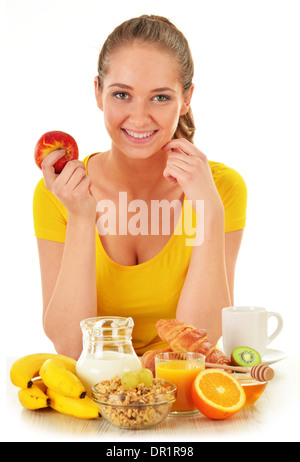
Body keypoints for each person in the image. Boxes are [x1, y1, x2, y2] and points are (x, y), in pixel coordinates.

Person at [33, 15, 247, 360]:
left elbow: (196, 347)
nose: (138, 117)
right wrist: (82, 218)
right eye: (122, 94)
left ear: (187, 98)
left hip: (179, 398)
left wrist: (208, 210)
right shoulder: (60, 192)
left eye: (160, 98)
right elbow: (72, 347)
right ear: (98, 93)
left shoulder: (221, 189)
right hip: (97, 396)